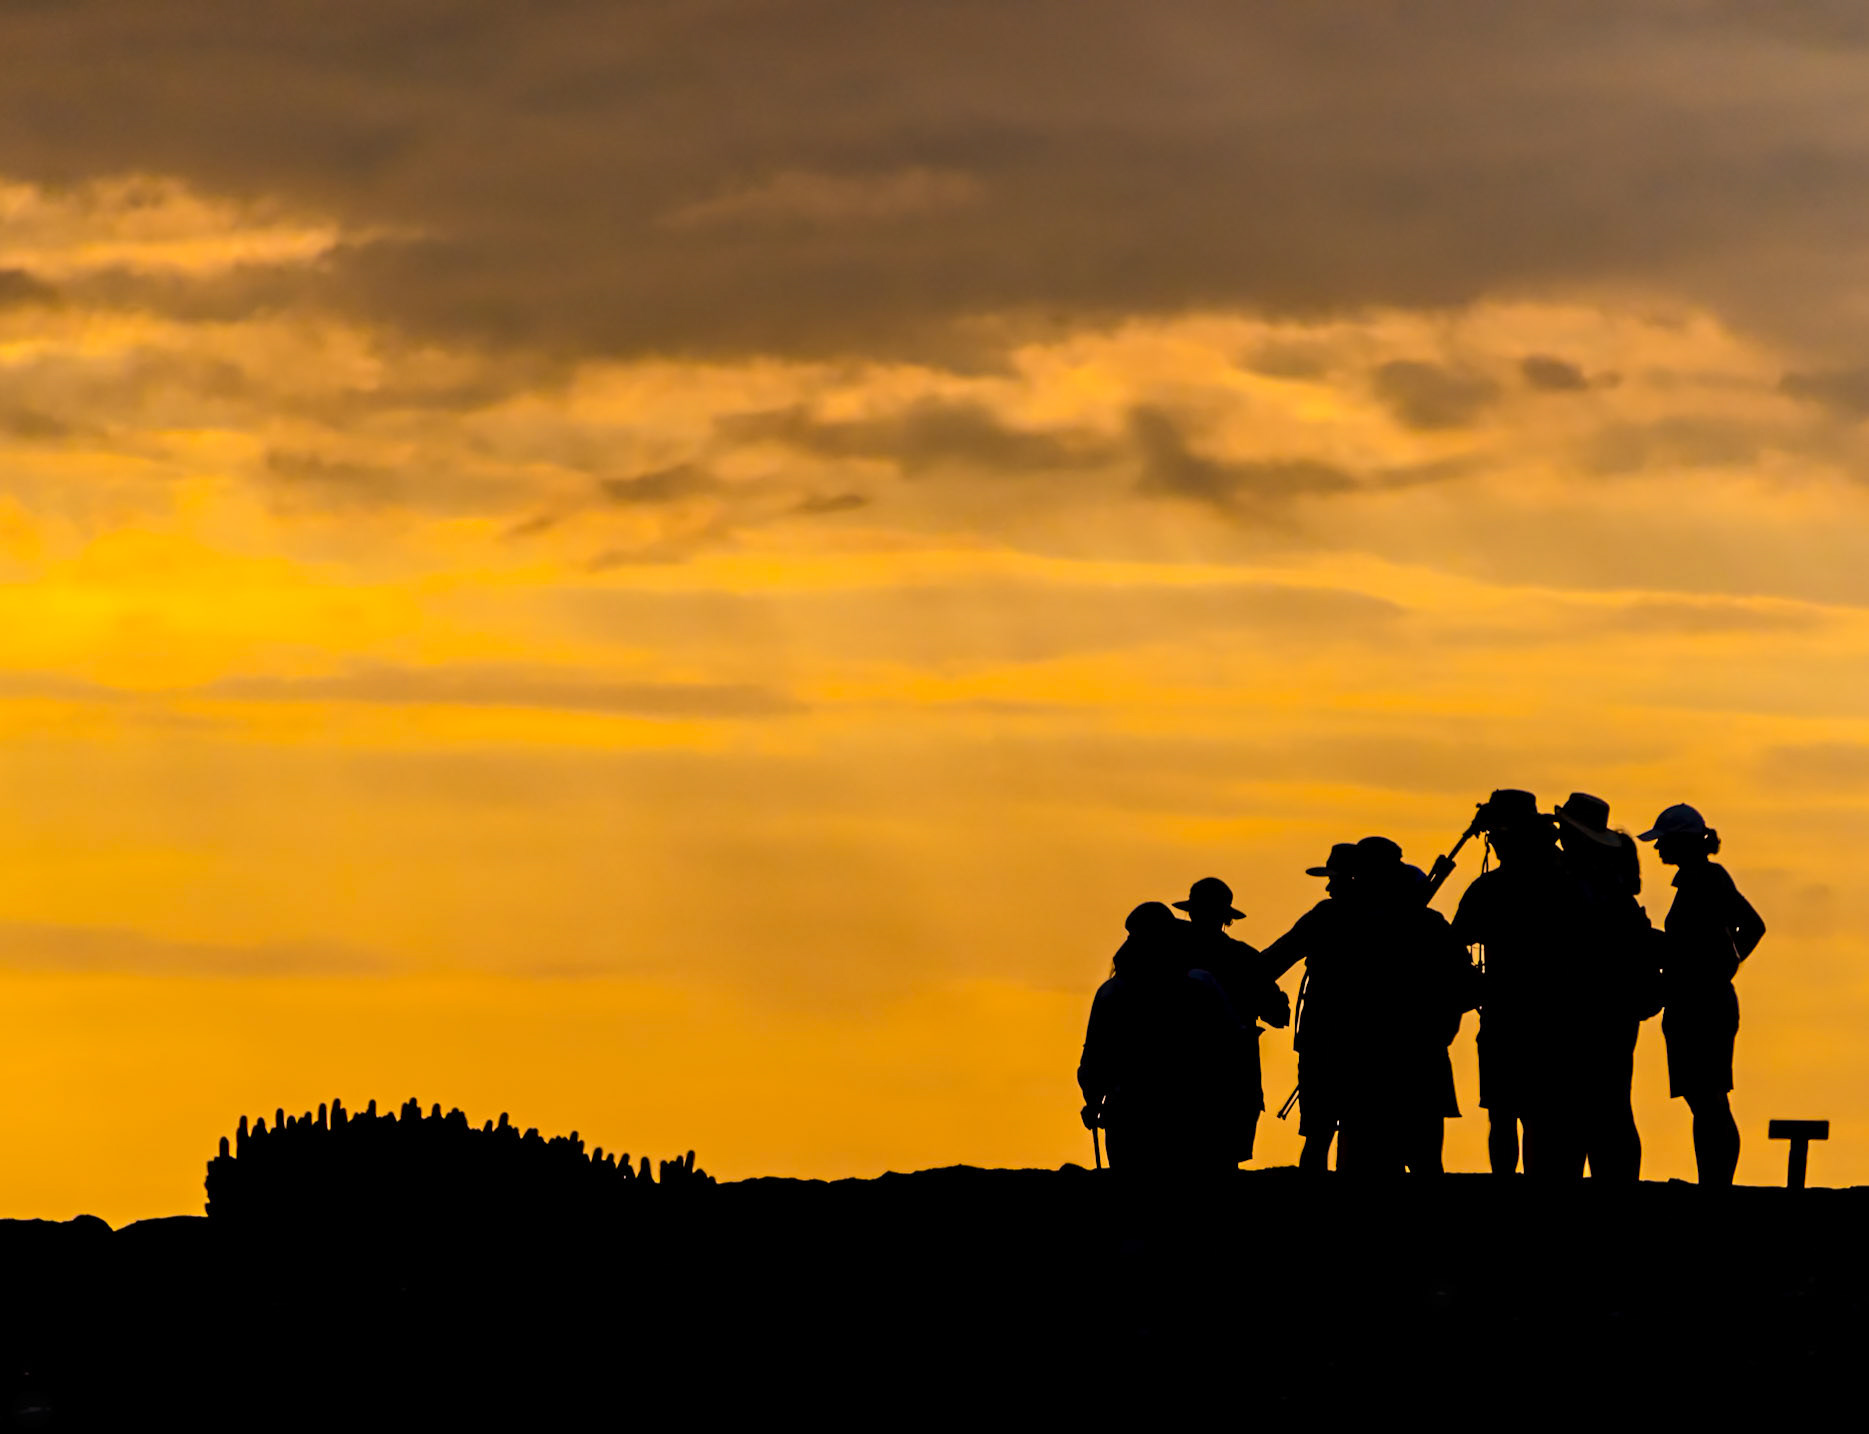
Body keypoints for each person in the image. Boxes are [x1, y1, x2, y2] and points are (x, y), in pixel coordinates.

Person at [1451, 789, 1594, 1177]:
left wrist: (1473, 983)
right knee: (1528, 1113)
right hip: (1546, 1014)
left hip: (1517, 1013)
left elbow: (1454, 940)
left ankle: (1514, 1185)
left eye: (1497, 834)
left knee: (1510, 1113)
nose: (1494, 843)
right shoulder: (1565, 879)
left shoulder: (1492, 888)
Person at [1639, 804, 1765, 1188]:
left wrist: (1719, 968)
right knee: (1705, 1101)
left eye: (1663, 841)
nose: (1658, 848)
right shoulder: (1702, 879)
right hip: (1695, 1002)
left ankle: (1715, 1184)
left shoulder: (1706, 880)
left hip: (1702, 1007)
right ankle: (1712, 1182)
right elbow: (1695, 945)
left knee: (1709, 1101)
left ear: (1682, 842)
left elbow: (1750, 927)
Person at [1077, 902, 1250, 1177]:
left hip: (1127, 1115)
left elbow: (1094, 1059)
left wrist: (1093, 1100)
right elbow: (1230, 1046)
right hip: (1189, 1115)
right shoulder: (1199, 986)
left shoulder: (1111, 992)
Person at [1340, 837, 1476, 1176]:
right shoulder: (1429, 925)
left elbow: (1465, 987)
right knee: (1421, 1160)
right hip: (1416, 1054)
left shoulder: (1355, 924)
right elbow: (1468, 987)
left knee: (1374, 1160)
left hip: (1377, 1056)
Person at [1553, 792, 1658, 1183]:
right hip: (1617, 1009)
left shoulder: (1582, 888)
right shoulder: (1614, 889)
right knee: (1612, 1101)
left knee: (1581, 1103)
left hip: (1589, 1007)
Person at [1172, 877, 1291, 1164]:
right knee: (1224, 1164)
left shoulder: (1166, 955)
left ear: (1190, 912)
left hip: (1174, 1078)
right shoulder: (1244, 957)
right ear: (1227, 918)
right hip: (1233, 1080)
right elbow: (1279, 1015)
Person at [1262, 844, 1362, 1174]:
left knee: (1318, 1133)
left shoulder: (1326, 916)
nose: (1329, 887)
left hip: (1322, 1037)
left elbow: (1274, 960)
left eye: (1335, 879)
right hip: (1364, 1039)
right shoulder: (1393, 919)